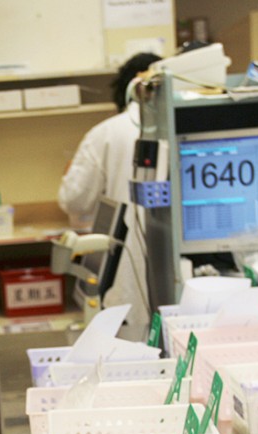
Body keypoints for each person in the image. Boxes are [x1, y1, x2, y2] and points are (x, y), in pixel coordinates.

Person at [58, 52, 161, 340]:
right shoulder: (187, 125)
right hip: (180, 271)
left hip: (124, 271)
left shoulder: (105, 133)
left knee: (132, 349)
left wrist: (68, 173)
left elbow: (73, 199)